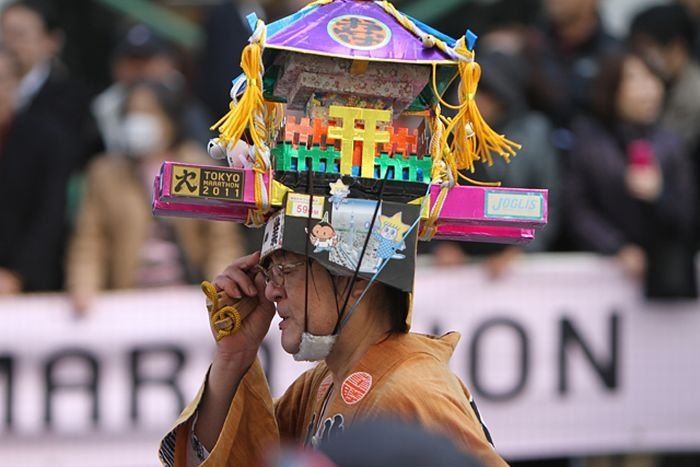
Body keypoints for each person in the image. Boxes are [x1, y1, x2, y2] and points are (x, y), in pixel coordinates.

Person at [66, 80, 245, 314]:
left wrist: (219, 291)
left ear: (170, 120)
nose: (138, 121)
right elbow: (89, 241)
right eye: (132, 113)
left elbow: (222, 241)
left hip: (187, 300)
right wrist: (84, 287)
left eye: (148, 112)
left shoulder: (199, 167)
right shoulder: (105, 173)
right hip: (128, 303)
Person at [565, 50, 697, 299]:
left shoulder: (671, 144)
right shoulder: (589, 142)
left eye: (653, 80)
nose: (649, 91)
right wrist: (617, 247)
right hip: (600, 280)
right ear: (613, 88)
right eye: (636, 80)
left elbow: (687, 215)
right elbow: (577, 209)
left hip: (668, 277)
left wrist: (659, 195)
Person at [0, 46, 73, 294]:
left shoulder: (48, 139)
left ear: (16, 84)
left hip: (30, 284)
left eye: (1, 80)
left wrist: (19, 275)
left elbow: (50, 215)